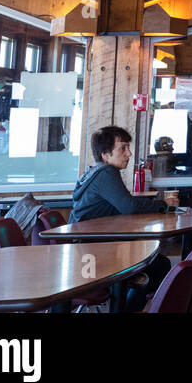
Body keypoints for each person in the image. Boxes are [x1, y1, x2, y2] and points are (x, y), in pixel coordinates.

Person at [71, 125, 171, 311]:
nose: (129, 153)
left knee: (153, 262)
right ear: (105, 154)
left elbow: (126, 205)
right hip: (91, 256)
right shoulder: (106, 173)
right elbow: (129, 206)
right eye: (123, 148)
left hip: (86, 251)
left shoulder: (96, 172)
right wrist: (161, 205)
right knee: (159, 265)